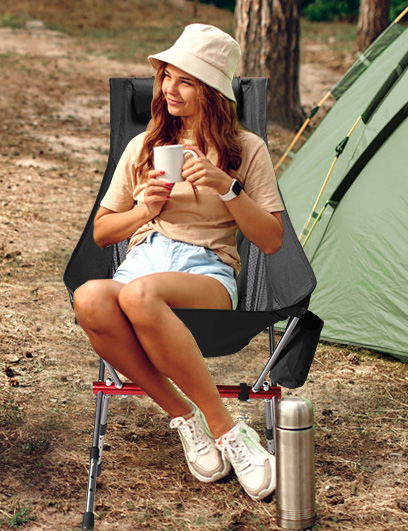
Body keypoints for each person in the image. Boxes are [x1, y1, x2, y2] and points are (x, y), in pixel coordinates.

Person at [73, 24, 286, 501]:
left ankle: (225, 428)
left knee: (139, 294)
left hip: (206, 270)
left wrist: (226, 187)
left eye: (184, 80)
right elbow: (103, 232)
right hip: (144, 260)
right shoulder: (144, 147)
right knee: (89, 298)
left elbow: (271, 240)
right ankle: (184, 416)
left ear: (212, 92)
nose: (169, 88)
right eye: (166, 76)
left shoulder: (246, 149)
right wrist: (144, 210)